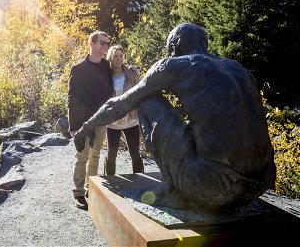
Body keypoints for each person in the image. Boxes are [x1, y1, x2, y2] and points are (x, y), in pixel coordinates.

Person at [74, 23, 276, 210]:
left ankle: (172, 191)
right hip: (258, 185)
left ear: (176, 46)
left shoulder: (173, 65)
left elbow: (121, 104)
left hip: (213, 187)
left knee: (146, 100)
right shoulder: (237, 68)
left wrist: (86, 127)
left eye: (170, 48)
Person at [68, 30, 113, 210]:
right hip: (83, 122)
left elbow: (115, 82)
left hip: (101, 120)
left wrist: (130, 69)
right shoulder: (78, 69)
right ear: (91, 44)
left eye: (106, 43)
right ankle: (78, 193)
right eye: (102, 43)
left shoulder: (106, 67)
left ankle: (90, 188)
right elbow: (72, 98)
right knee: (82, 156)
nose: (105, 47)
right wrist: (73, 126)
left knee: (95, 156)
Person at [104, 45, 143, 175]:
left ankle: (140, 181)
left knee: (135, 153)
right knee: (111, 155)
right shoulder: (105, 75)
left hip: (131, 120)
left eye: (121, 56)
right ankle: (110, 183)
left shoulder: (131, 73)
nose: (118, 59)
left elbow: (140, 91)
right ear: (110, 57)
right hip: (113, 121)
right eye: (115, 56)